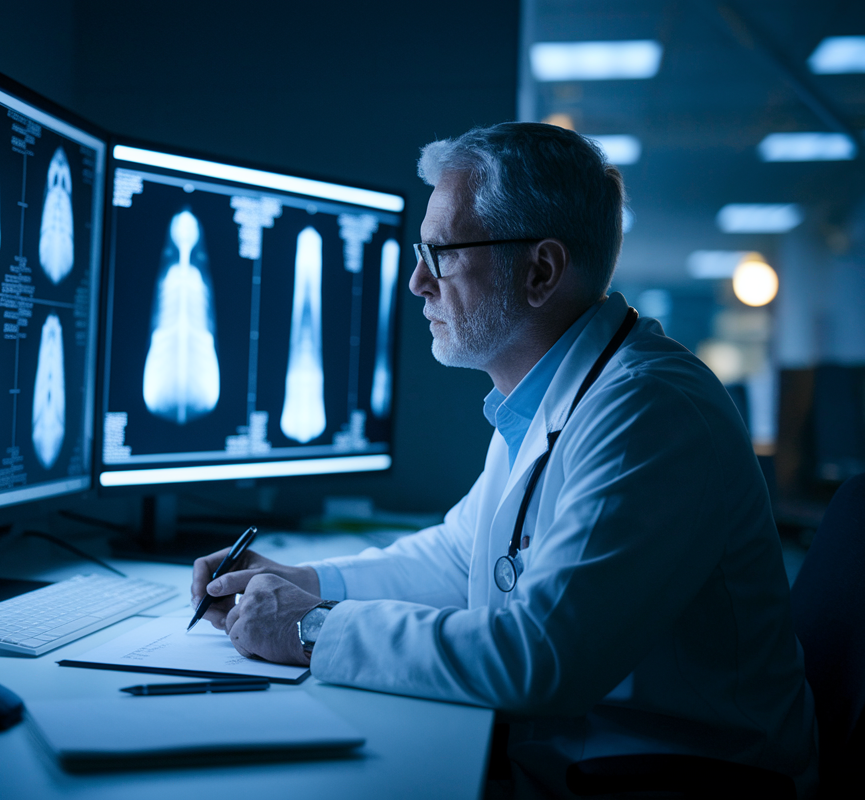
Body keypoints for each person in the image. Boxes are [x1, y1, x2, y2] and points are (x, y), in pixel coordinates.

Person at [191, 122, 815, 798]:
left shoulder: (649, 413)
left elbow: (540, 659)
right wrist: (303, 577)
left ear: (540, 271)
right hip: (584, 758)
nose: (416, 281)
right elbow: (459, 560)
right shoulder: (548, 392)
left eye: (442, 253)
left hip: (664, 780)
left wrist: (310, 626)